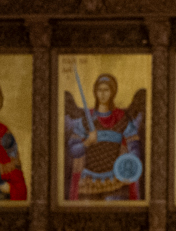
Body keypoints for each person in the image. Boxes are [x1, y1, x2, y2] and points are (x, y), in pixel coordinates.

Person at [63, 71, 148, 202]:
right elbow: (72, 150)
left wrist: (128, 162)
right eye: (99, 90)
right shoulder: (86, 120)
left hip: (116, 181)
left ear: (112, 92)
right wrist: (87, 142)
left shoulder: (121, 119)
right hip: (88, 182)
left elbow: (134, 146)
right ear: (95, 92)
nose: (102, 94)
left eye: (106, 90)